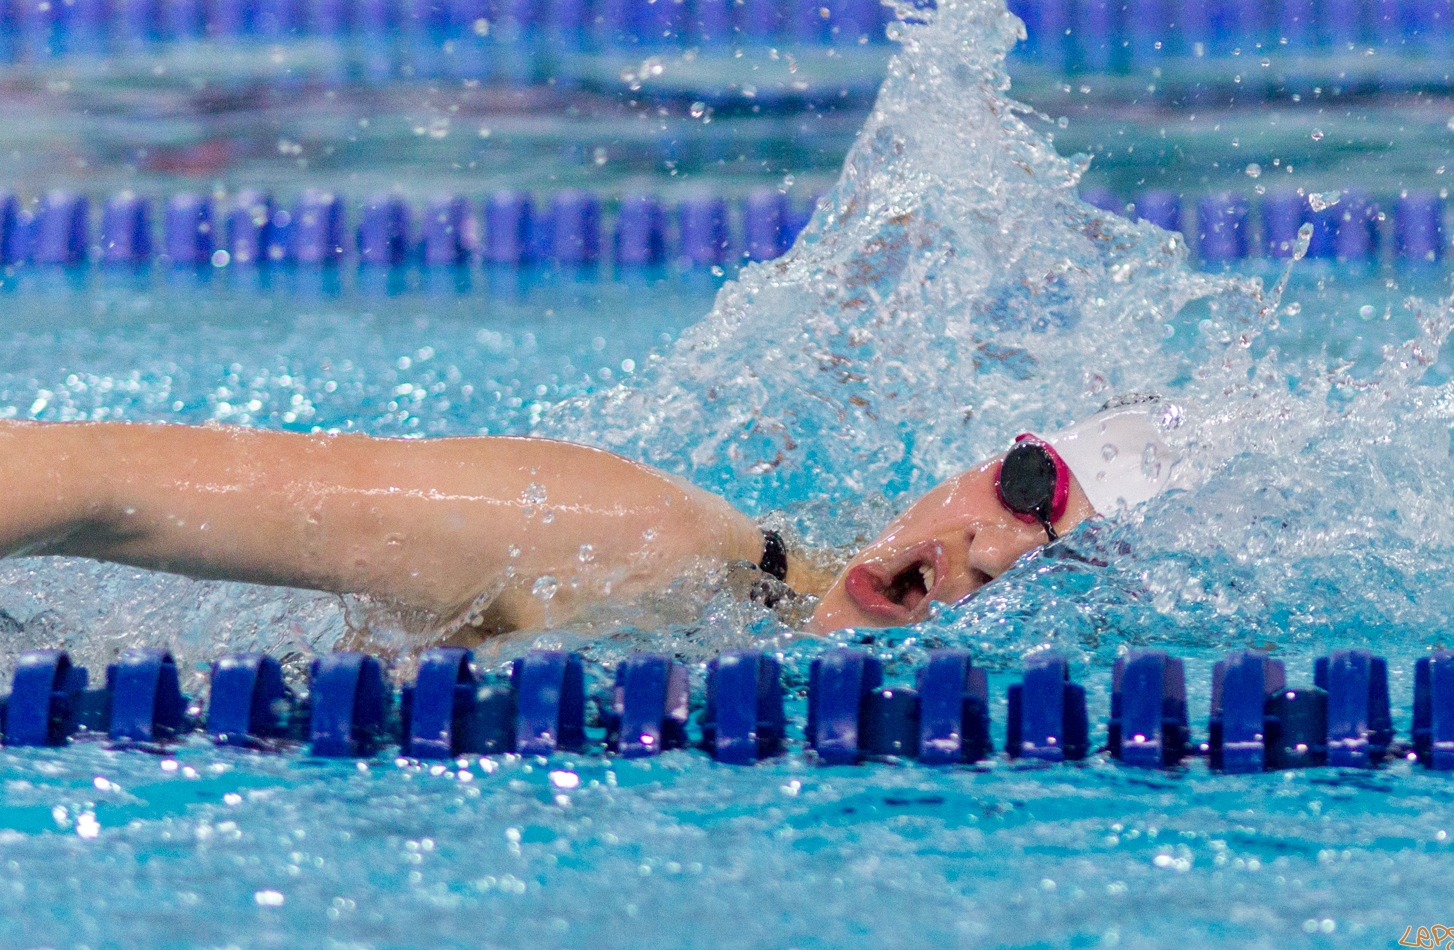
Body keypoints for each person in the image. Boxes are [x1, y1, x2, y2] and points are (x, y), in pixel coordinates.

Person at [0, 402, 1174, 644]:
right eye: (1025, 485)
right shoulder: (624, 537)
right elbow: (102, 481)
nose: (986, 550)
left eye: (1053, 557)